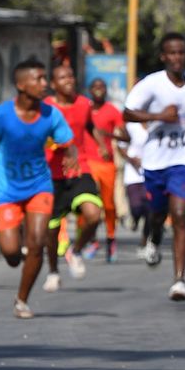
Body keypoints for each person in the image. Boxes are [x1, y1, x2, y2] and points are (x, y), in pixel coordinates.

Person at [0, 58, 77, 318]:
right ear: (21, 85)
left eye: (45, 78)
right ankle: (18, 249)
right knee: (10, 254)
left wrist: (70, 154)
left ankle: (22, 300)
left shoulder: (51, 114)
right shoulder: (1, 116)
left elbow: (67, 140)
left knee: (37, 242)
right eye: (39, 79)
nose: (44, 84)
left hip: (40, 187)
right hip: (7, 191)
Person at [123, 33, 185, 301]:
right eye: (171, 53)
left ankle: (179, 280)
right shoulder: (152, 84)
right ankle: (153, 237)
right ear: (163, 57)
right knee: (158, 213)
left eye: (181, 53)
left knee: (180, 213)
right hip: (155, 161)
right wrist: (159, 116)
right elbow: (127, 112)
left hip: (184, 160)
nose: (177, 58)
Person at [41, 65, 105, 294]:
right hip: (51, 173)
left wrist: (101, 144)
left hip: (80, 168)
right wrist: (58, 145)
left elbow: (89, 125)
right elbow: (40, 136)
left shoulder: (83, 103)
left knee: (93, 213)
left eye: (70, 75)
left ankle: (76, 251)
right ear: (53, 84)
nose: (69, 79)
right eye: (62, 77)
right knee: (51, 230)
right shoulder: (45, 107)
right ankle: (53, 272)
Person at [85, 78, 129, 262]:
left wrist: (109, 135)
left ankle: (111, 238)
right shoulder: (84, 109)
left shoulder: (112, 111)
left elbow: (126, 136)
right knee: (87, 203)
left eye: (102, 87)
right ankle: (92, 240)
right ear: (90, 90)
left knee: (108, 205)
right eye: (95, 87)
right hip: (87, 163)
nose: (98, 90)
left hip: (106, 163)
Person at [118, 121, 152, 259]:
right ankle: (135, 219)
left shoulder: (156, 124)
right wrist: (131, 159)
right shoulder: (131, 126)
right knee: (136, 207)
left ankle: (144, 242)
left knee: (150, 210)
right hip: (133, 174)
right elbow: (121, 146)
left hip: (151, 173)